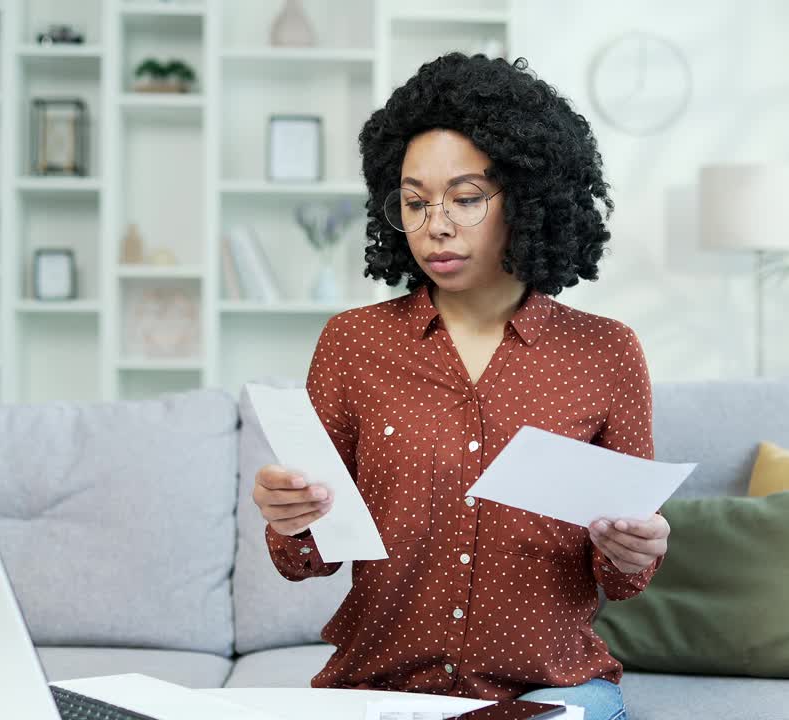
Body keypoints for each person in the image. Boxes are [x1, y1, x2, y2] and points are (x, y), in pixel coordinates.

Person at [251, 53, 669, 720]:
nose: (435, 225)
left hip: (551, 693)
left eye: (466, 198)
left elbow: (622, 578)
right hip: (378, 691)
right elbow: (308, 559)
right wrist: (289, 518)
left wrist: (636, 546)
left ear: (529, 199)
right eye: (414, 202)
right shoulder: (353, 344)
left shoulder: (605, 351)